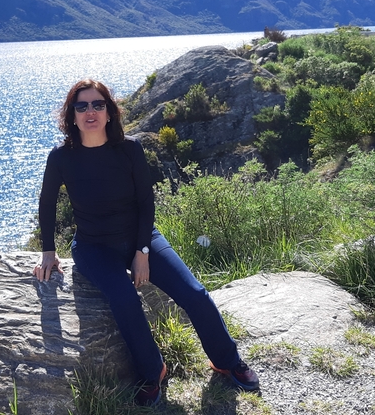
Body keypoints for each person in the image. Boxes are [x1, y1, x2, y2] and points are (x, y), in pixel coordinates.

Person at [33, 79, 259, 407]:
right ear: (72, 116)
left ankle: (226, 360)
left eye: (98, 105)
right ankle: (153, 372)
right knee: (124, 299)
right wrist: (48, 252)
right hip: (94, 247)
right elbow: (47, 203)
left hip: (142, 237)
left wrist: (142, 252)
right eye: (81, 106)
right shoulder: (61, 157)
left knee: (194, 294)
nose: (90, 112)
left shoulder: (130, 148)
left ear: (110, 113)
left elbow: (145, 203)